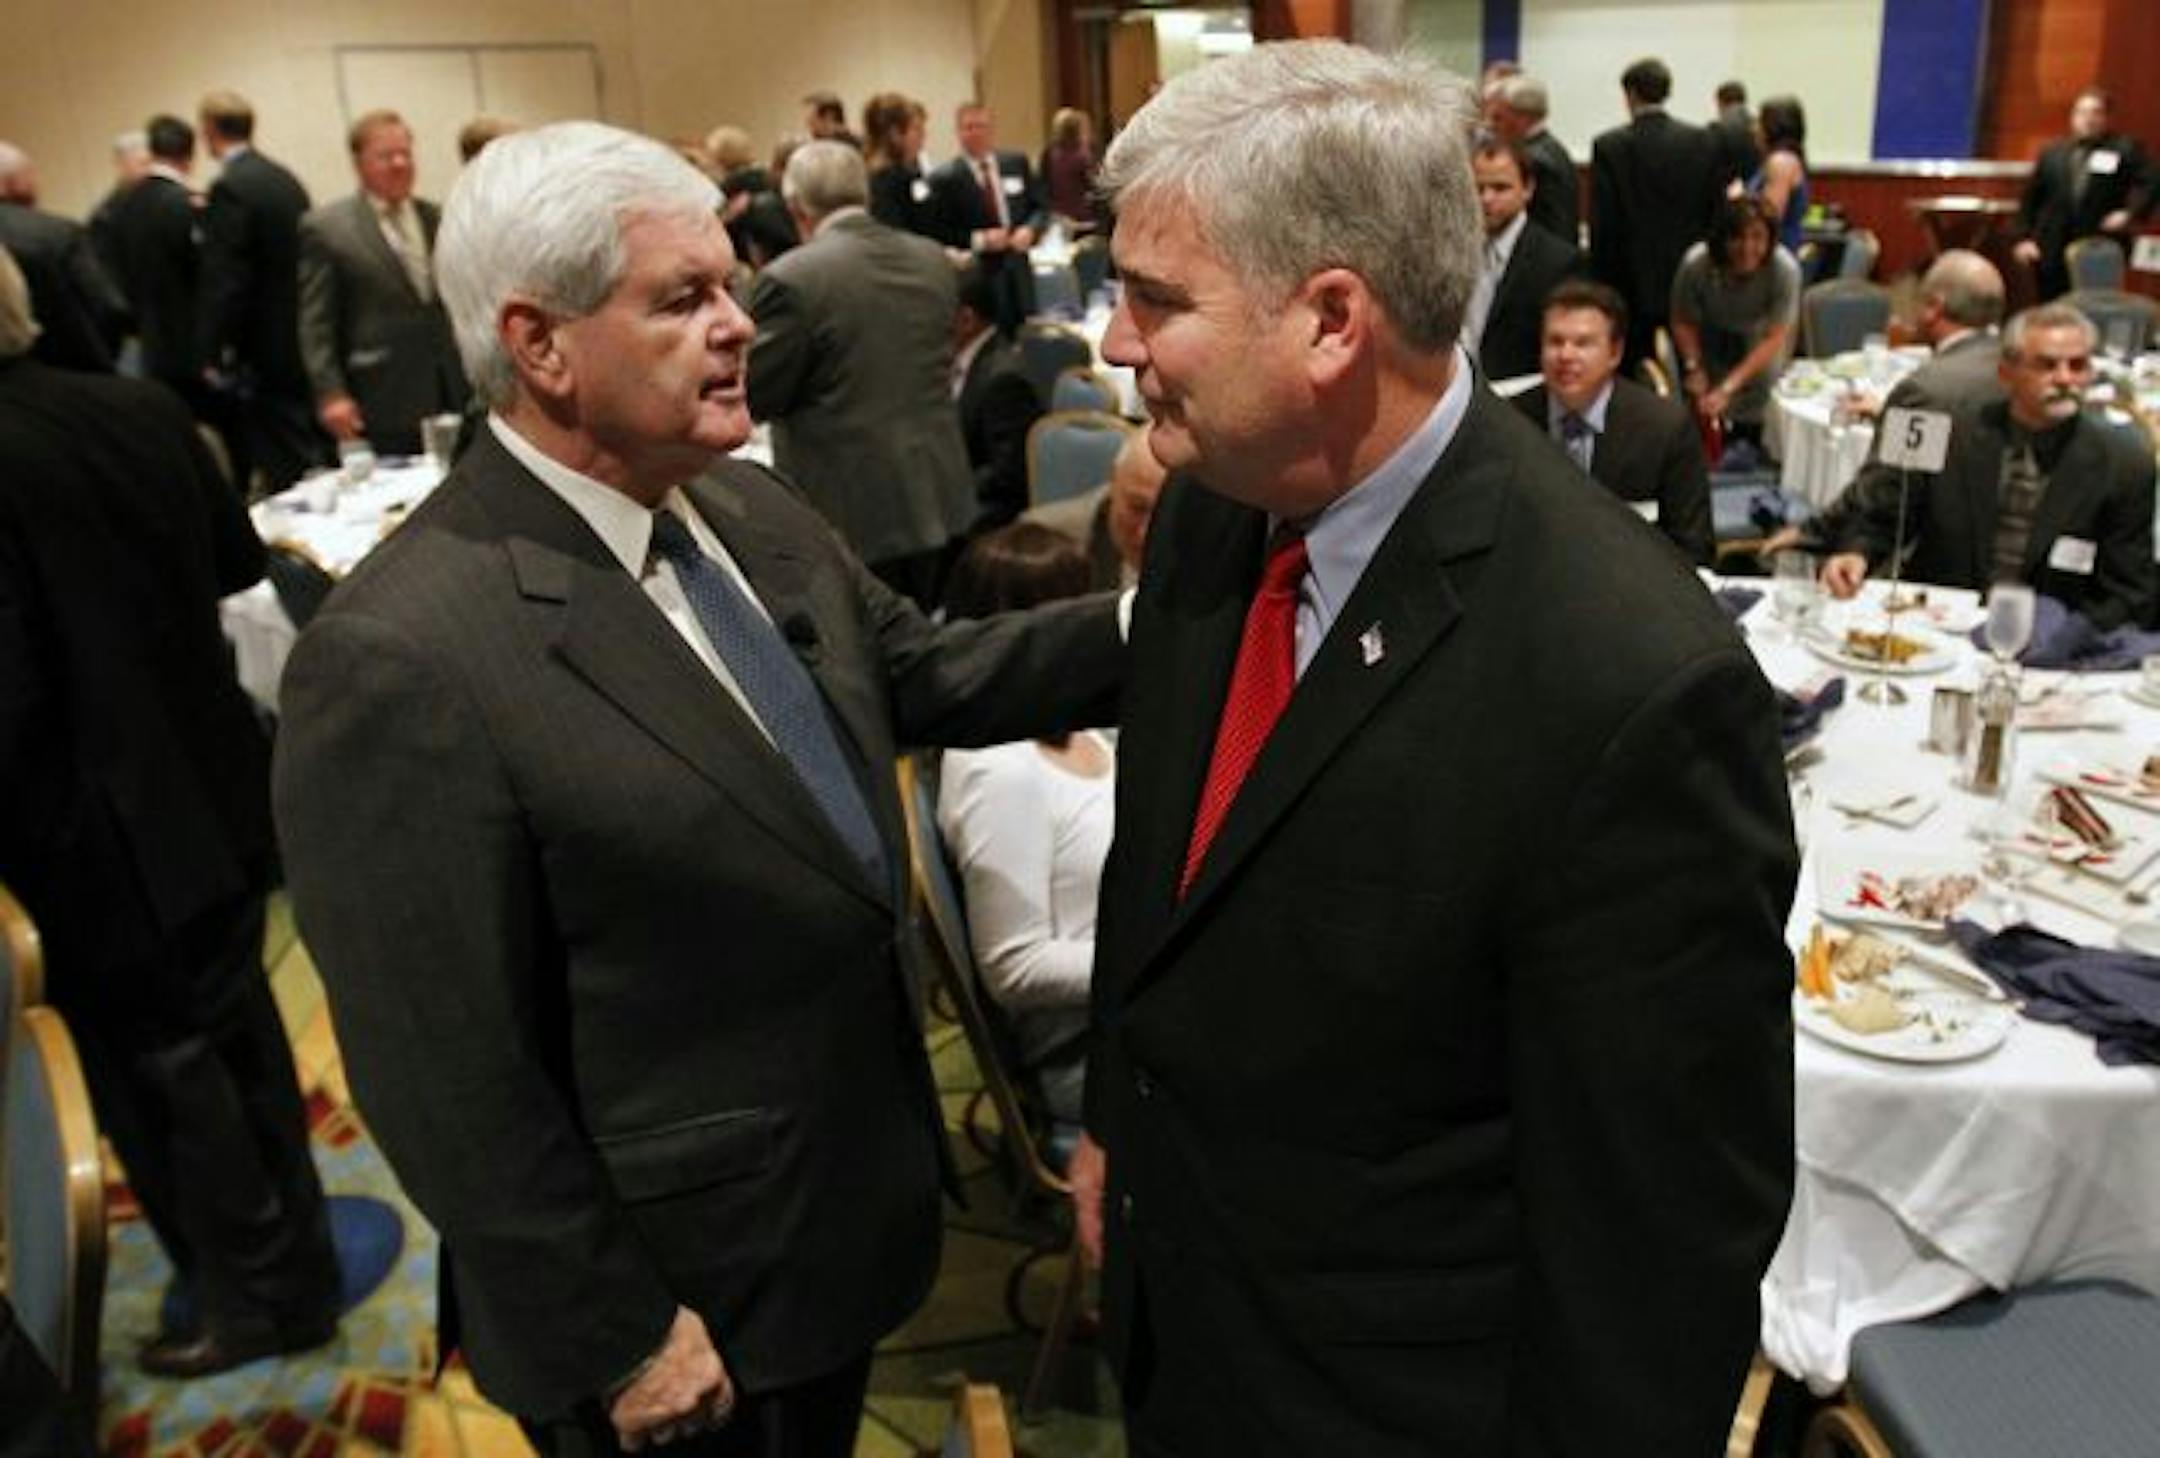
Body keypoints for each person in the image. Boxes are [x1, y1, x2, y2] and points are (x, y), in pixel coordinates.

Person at [272, 120, 1125, 1458]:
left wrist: (1165, 623)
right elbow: (445, 1070)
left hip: (832, 1227)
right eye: (683, 299)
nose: (739, 324)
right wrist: (615, 1328)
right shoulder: (401, 655)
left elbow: (933, 671)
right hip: (674, 1315)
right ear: (539, 344)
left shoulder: (749, 511)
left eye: (731, 284)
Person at [1080, 39, 1795, 1456]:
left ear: (1332, 320)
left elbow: (1657, 1249)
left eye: (1156, 300)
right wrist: (1113, 1113)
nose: (1114, 342)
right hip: (1187, 1324)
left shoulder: (1630, 679)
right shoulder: (1223, 499)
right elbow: (1158, 862)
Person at [0, 245, 344, 1380]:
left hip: (88, 833)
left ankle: (246, 1301)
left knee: (163, 1077)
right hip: (213, 783)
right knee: (240, 1036)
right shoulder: (138, 406)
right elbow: (232, 562)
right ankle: (297, 1273)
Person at [1821, 302, 2155, 628]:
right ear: (2006, 373)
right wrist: (1858, 554)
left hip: (2049, 645)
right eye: (2046, 365)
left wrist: (2068, 634)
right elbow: (1889, 513)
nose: (2065, 379)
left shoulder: (2124, 463)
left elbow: (2128, 593)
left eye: (2077, 365)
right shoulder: (1947, 429)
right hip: (1939, 628)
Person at [936, 523, 1114, 1128]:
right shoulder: (998, 767)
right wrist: (1163, 954)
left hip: (1137, 1012)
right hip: (1086, 1054)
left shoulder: (1075, 722)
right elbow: (1014, 966)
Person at [748, 140, 977, 607]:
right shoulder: (932, 258)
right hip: (942, 487)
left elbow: (756, 394)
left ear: (795, 206)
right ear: (866, 194)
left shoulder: (791, 279)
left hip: (852, 509)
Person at [1764, 250, 2006, 557]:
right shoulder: (2016, 368)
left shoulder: (1925, 389)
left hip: (1938, 557)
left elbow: (1885, 488)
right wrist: (1887, 413)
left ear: (1933, 307)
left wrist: (1811, 531)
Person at [298, 109, 469, 457]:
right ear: (359, 163)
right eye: (386, 156)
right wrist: (331, 393)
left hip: (452, 385)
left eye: (405, 153)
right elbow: (316, 323)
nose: (399, 163)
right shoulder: (328, 229)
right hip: (383, 393)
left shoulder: (436, 217)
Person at [1513, 279, 1713, 564]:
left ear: (1615, 353)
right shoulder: (1511, 422)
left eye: (1583, 343)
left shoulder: (1665, 429)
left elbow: (1693, 547)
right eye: (1555, 341)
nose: (1566, 355)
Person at [196, 89, 321, 493]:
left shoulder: (229, 188)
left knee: (283, 459)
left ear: (210, 131)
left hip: (263, 345)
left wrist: (212, 349)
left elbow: (226, 279)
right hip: (299, 332)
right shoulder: (285, 180)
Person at [1590, 56, 1722, 364]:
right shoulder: (1702, 141)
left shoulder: (1610, 146)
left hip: (1629, 281)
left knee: (1636, 368)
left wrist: (1599, 285)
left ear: (1630, 95)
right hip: (1689, 274)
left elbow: (1605, 225)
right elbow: (1714, 213)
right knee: (1689, 363)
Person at [104, 115, 219, 425]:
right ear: (190, 154)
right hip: (196, 343)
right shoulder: (187, 205)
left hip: (152, 345)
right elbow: (207, 277)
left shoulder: (119, 209)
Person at [1670, 193, 1799, 451]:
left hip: (1759, 361)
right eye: (1737, 237)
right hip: (1710, 352)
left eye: (1758, 237)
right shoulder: (1697, 263)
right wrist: (1694, 367)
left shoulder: (1784, 269)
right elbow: (1683, 320)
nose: (1747, 248)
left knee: (1757, 442)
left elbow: (1774, 337)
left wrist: (1729, 388)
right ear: (1722, 238)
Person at [2013, 86, 2154, 301]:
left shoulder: (2124, 149)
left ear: (2107, 117)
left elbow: (2153, 182)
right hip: (2052, 249)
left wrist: (2130, 214)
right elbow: (2030, 199)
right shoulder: (2052, 153)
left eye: (2095, 113)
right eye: (2081, 112)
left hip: (2099, 248)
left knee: (2095, 307)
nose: (2088, 119)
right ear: (2073, 117)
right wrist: (2023, 238)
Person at [0, 141, 128, 372]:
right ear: (12, 183)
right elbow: (108, 309)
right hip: (75, 370)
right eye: (30, 173)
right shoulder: (59, 233)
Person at [1464, 135, 1582, 382]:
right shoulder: (1454, 253)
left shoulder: (1558, 262)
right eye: (1478, 189)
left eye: (1500, 188)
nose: (1486, 200)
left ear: (1527, 189)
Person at [926, 103, 1047, 335]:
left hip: (1019, 270)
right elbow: (938, 232)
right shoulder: (943, 179)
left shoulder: (1016, 163)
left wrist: (1030, 230)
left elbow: (1040, 207)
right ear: (958, 133)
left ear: (991, 130)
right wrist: (980, 240)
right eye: (968, 127)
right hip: (979, 275)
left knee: (1026, 336)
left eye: (981, 126)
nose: (975, 133)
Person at [953, 261, 1043, 532]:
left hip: (994, 516)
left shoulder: (1003, 380)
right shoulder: (961, 359)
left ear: (966, 320)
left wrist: (946, 488)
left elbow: (1006, 475)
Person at [1025, 423, 1163, 591]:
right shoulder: (1044, 538)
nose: (1145, 532)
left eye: (1163, 513)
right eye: (1137, 508)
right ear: (1112, 483)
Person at [1484, 74, 1577, 246]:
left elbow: (1553, 226)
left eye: (1498, 117)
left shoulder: (1536, 160)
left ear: (1522, 118)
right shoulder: (1552, 147)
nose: (1490, 125)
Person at [863, 93, 931, 235]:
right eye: (916, 129)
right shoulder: (886, 181)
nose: (924, 135)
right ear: (894, 134)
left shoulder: (909, 172)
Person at [1752, 95, 1810, 256]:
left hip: (1773, 258)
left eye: (1759, 122)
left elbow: (1769, 219)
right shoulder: (1784, 160)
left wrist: (1738, 199)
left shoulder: (1780, 163)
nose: (1754, 128)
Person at [1040, 107, 1100, 234]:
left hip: (1057, 216)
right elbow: (1095, 185)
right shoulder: (1083, 156)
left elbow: (1044, 185)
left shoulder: (1049, 152)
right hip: (1082, 219)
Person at [1708, 80, 1761, 190]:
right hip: (1754, 188)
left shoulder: (1717, 128)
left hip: (1727, 190)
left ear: (1720, 102)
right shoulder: (1760, 126)